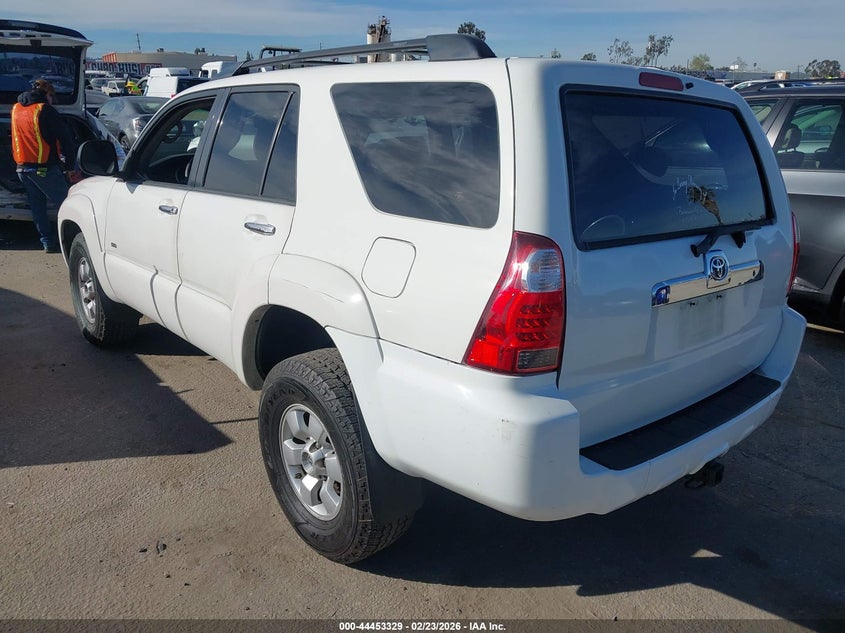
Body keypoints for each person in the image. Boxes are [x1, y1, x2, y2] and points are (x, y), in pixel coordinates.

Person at [10, 79, 80, 253]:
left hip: (22, 168)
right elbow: (66, 140)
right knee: (68, 204)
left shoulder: (16, 108)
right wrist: (70, 166)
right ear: (47, 94)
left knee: (37, 207)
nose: (52, 100)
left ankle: (47, 242)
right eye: (52, 96)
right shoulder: (45, 110)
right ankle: (75, 241)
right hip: (44, 169)